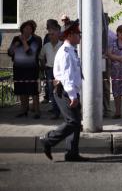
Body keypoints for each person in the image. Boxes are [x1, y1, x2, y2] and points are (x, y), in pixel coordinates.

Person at [39, 19, 89, 162]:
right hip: (65, 91)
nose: (80, 36)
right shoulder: (66, 52)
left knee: (75, 122)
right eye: (78, 34)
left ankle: (72, 153)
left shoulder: (71, 50)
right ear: (70, 35)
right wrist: (73, 96)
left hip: (69, 90)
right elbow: (67, 76)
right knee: (72, 122)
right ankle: (48, 140)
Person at [7, 20, 43, 118]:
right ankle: (23, 109)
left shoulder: (36, 40)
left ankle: (37, 111)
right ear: (22, 29)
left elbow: (31, 53)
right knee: (21, 89)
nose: (27, 30)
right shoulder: (15, 39)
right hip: (19, 69)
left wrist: (23, 42)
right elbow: (10, 53)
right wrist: (14, 46)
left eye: (30, 29)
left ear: (32, 30)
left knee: (33, 90)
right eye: (25, 28)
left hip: (31, 69)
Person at [39, 23, 63, 119]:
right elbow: (41, 57)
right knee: (52, 92)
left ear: (58, 34)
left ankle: (63, 110)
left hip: (60, 71)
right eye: (49, 34)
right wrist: (43, 65)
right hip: (49, 70)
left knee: (61, 91)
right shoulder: (46, 46)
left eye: (53, 34)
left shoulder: (62, 45)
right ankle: (55, 112)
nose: (51, 36)